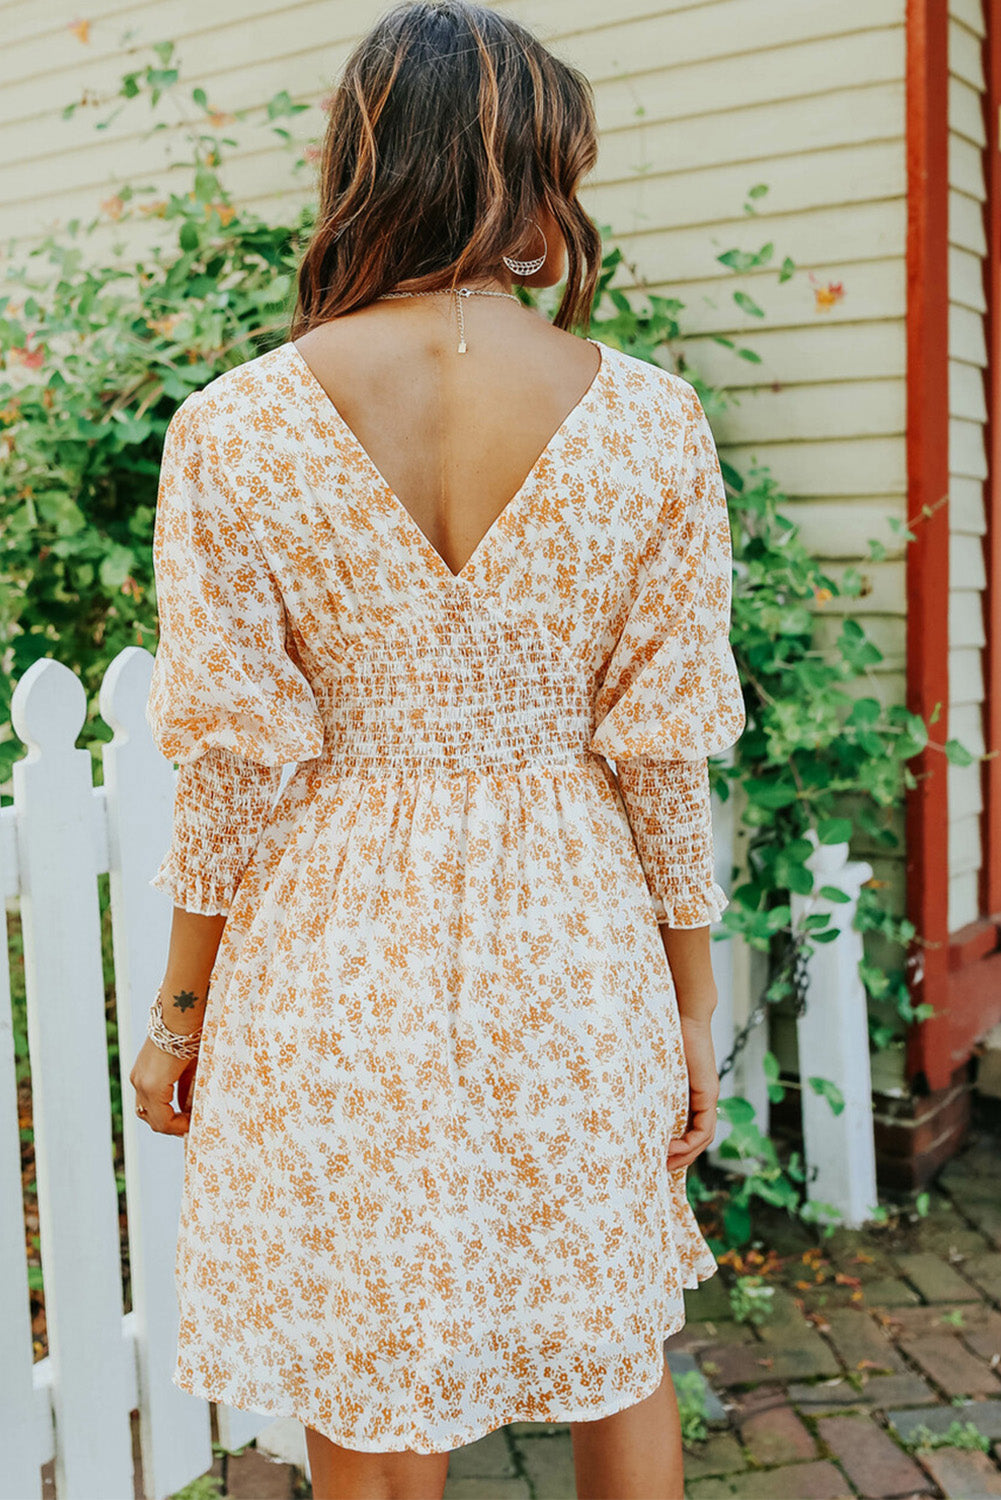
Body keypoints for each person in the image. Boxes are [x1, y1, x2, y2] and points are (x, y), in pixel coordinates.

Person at [128, 3, 746, 1497]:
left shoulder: (234, 428)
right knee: (614, 1339)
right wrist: (684, 999)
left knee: (370, 1355)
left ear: (364, 161)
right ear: (531, 170)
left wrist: (181, 1010)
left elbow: (229, 759)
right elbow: (665, 753)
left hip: (333, 937)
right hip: (570, 927)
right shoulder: (653, 426)